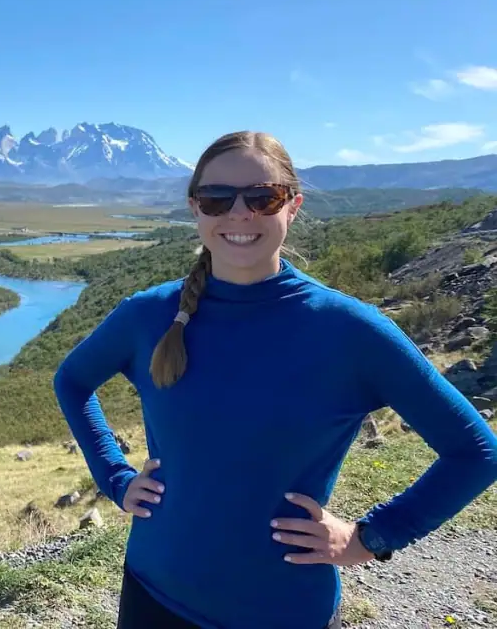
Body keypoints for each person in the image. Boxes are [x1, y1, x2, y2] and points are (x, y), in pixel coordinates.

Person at [52, 130, 497, 629]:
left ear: (293, 207)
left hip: (283, 611)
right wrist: (115, 478)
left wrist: (371, 538)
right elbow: (72, 381)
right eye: (217, 199)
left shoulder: (351, 331)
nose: (239, 214)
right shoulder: (147, 316)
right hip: (153, 593)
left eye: (263, 198)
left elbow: (477, 452)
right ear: (195, 208)